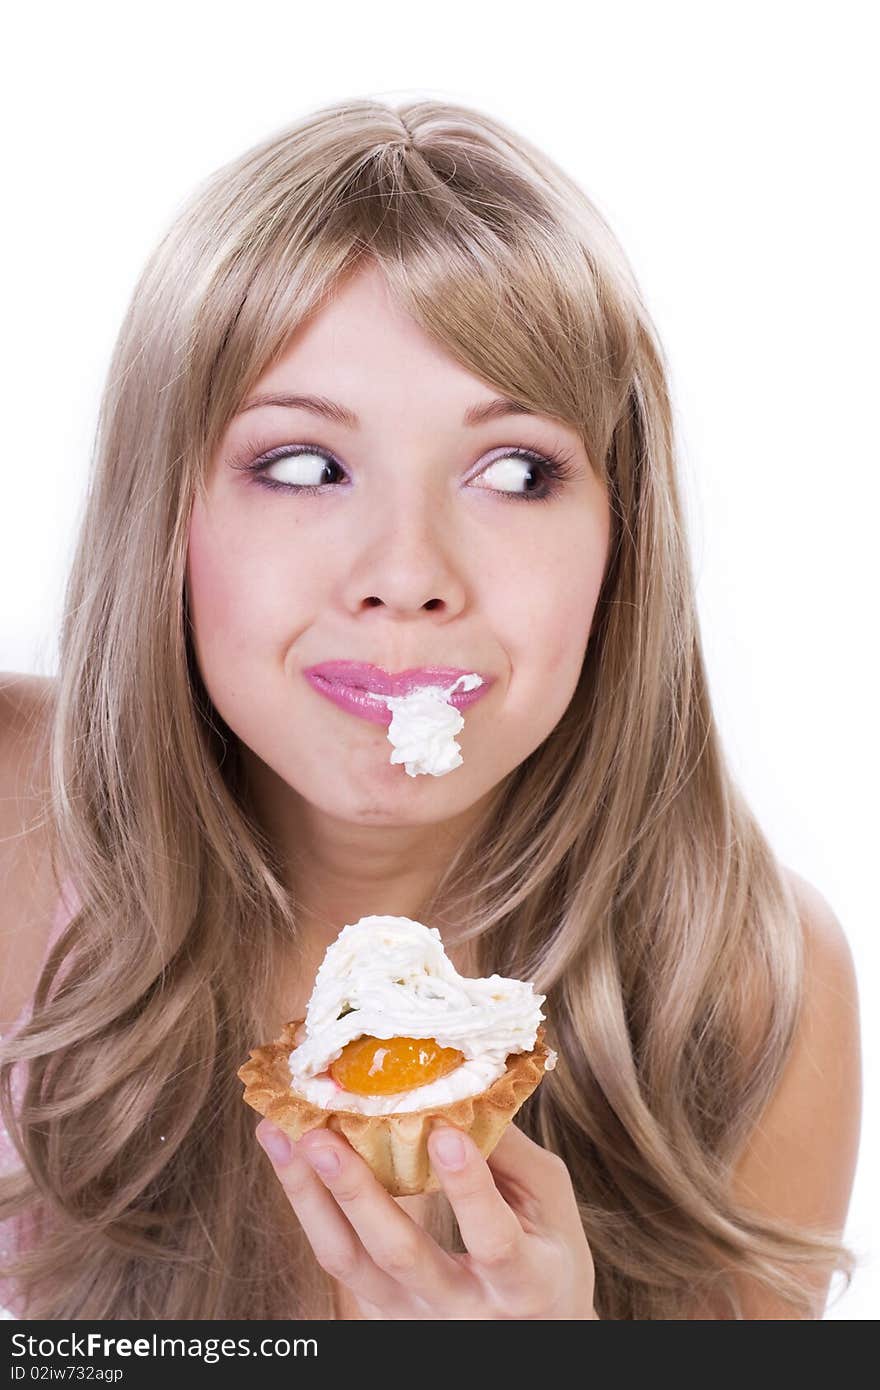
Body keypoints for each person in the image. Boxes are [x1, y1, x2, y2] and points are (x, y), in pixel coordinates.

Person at [0, 96, 862, 1321]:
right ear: (167, 516)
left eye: (515, 472)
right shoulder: (14, 826)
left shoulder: (746, 986)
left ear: (622, 541)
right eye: (302, 465)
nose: (407, 570)